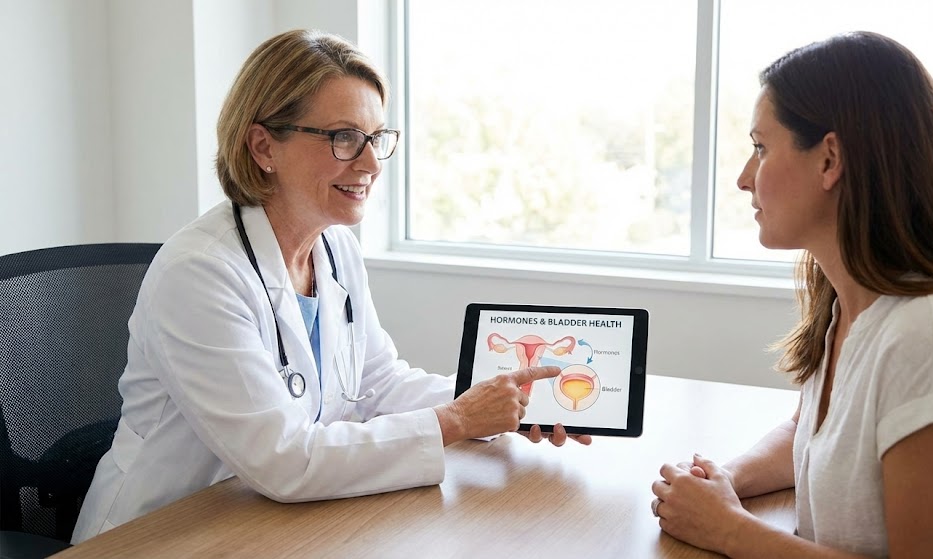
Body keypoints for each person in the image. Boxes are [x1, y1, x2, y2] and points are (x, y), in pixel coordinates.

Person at [72, 29, 590, 543]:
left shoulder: (335, 247)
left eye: (376, 138)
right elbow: (285, 460)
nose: (369, 164)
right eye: (344, 138)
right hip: (160, 533)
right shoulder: (200, 273)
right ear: (262, 146)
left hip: (266, 521)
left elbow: (378, 385)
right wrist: (455, 419)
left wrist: (504, 402)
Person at [651, 31, 933, 558]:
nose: (743, 178)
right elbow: (819, 438)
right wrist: (724, 482)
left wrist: (730, 530)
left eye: (760, 148)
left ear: (829, 160)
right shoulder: (851, 309)